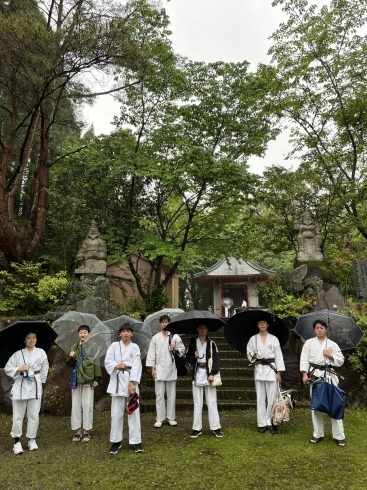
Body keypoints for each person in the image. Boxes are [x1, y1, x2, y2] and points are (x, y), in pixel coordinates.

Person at [300, 319, 346, 446]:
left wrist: (330, 356)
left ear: (326, 329)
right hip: (315, 375)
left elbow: (341, 360)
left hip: (330, 376)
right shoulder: (309, 343)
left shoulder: (332, 344)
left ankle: (339, 436)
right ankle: (317, 433)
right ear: (314, 330)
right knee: (316, 405)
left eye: (322, 328)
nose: (319, 330)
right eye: (317, 328)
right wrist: (304, 374)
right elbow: (304, 358)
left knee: (334, 404)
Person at [5, 331, 49, 455]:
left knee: (34, 414)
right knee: (18, 415)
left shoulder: (41, 352)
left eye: (34, 337)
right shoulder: (18, 354)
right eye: (28, 338)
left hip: (35, 384)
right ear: (24, 341)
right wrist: (19, 368)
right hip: (21, 385)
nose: (31, 340)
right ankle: (16, 441)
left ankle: (31, 438)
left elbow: (44, 369)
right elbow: (8, 368)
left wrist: (41, 382)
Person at [104, 323, 143, 454]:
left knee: (133, 412)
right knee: (116, 413)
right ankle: (116, 441)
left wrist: (132, 382)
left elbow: (137, 365)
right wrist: (116, 365)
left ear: (132, 333)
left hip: (131, 381)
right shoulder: (114, 346)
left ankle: (136, 441)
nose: (126, 333)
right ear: (120, 333)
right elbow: (107, 361)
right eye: (123, 331)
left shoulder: (135, 347)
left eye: (128, 331)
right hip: (117, 381)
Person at [247, 317, 285, 434]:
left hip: (271, 369)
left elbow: (278, 356)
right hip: (259, 369)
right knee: (260, 398)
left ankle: (271, 422)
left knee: (272, 398)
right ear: (257, 325)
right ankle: (262, 423)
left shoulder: (274, 339)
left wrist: (279, 373)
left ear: (268, 325)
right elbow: (250, 357)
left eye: (264, 323)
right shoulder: (253, 339)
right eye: (260, 323)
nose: (262, 324)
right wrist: (254, 354)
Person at [146, 314, 185, 427]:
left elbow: (182, 350)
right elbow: (151, 354)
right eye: (162, 322)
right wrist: (152, 368)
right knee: (159, 394)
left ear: (169, 323)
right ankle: (160, 418)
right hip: (159, 369)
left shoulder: (175, 337)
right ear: (159, 324)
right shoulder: (155, 338)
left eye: (166, 322)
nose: (164, 324)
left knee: (171, 395)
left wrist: (175, 348)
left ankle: (171, 417)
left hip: (171, 368)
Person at [66, 324, 101, 442]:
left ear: (89, 334)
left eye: (85, 332)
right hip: (76, 380)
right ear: (77, 334)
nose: (83, 334)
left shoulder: (93, 346)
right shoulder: (74, 346)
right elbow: (69, 365)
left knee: (87, 405)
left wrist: (96, 378)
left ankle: (86, 430)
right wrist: (71, 357)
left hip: (88, 379)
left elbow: (96, 362)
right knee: (75, 405)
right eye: (81, 332)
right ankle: (77, 430)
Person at [187, 323, 223, 438]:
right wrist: (194, 356)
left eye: (204, 328)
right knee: (197, 402)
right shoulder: (193, 342)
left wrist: (213, 373)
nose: (202, 330)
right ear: (197, 329)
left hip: (209, 375)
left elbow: (216, 360)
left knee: (212, 401)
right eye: (200, 328)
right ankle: (197, 428)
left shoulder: (212, 343)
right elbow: (188, 358)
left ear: (207, 329)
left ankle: (216, 427)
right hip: (197, 374)